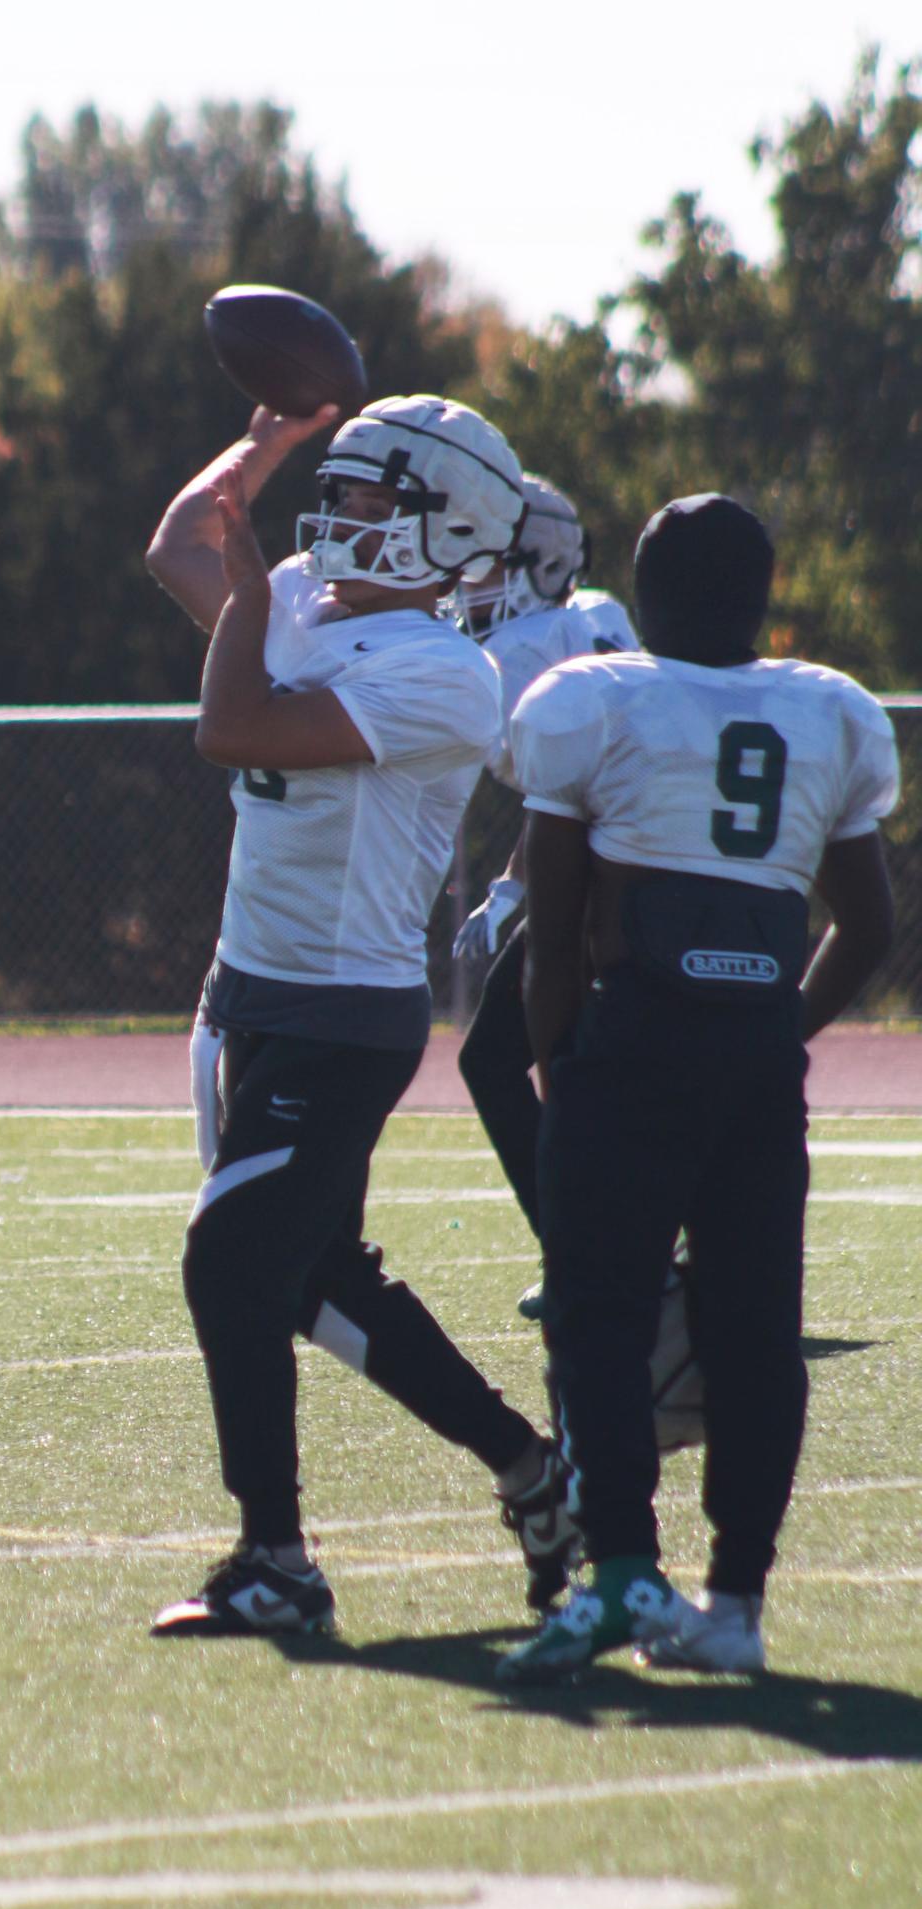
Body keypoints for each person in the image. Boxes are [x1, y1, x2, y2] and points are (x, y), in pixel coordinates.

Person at [144, 394, 581, 1636]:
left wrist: (242, 600)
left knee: (230, 1264)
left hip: (342, 1016)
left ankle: (275, 1560)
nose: (335, 516)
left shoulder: (446, 672)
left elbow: (228, 729)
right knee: (303, 1278)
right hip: (241, 998)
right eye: (331, 491)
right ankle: (532, 1471)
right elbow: (175, 545)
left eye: (369, 498)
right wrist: (265, 441)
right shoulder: (297, 594)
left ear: (452, 531)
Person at [494, 492, 898, 1683]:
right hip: (750, 1060)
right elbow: (866, 925)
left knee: (596, 1315)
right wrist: (779, 1028)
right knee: (752, 1325)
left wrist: (556, 1063)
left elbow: (554, 925)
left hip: (632, 1045)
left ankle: (620, 1574)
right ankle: (734, 1603)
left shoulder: (593, 700)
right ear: (764, 593)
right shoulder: (828, 710)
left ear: (643, 587)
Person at [453, 476, 638, 1280]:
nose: (465, 580)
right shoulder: (596, 615)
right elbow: (563, 794)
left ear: (539, 564)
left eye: (484, 562)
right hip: (641, 861)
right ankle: (628, 1245)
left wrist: (516, 890)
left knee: (511, 1061)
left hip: (599, 886)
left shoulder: (510, 657)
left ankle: (581, 1252)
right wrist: (512, 882)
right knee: (598, 1066)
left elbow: (560, 799)